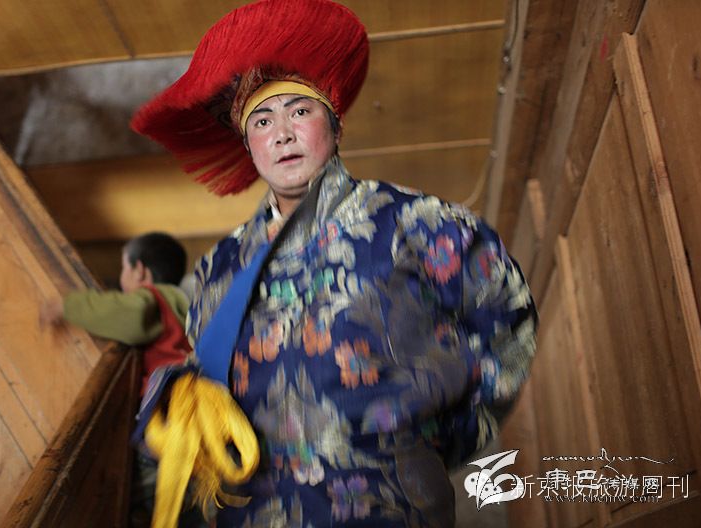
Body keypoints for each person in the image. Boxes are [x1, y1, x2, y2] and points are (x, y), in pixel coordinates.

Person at [131, 1, 537, 526]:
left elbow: (508, 326)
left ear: (335, 125)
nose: (282, 132)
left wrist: (428, 442)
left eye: (299, 111)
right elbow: (211, 391)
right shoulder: (220, 268)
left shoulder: (417, 223)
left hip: (387, 508)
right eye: (262, 121)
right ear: (250, 146)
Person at [42, 232, 204, 527]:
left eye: (123, 268)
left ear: (140, 271)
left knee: (152, 497)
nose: (121, 279)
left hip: (164, 423)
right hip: (188, 418)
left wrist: (67, 307)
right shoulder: (187, 306)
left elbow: (129, 317)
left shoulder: (153, 299)